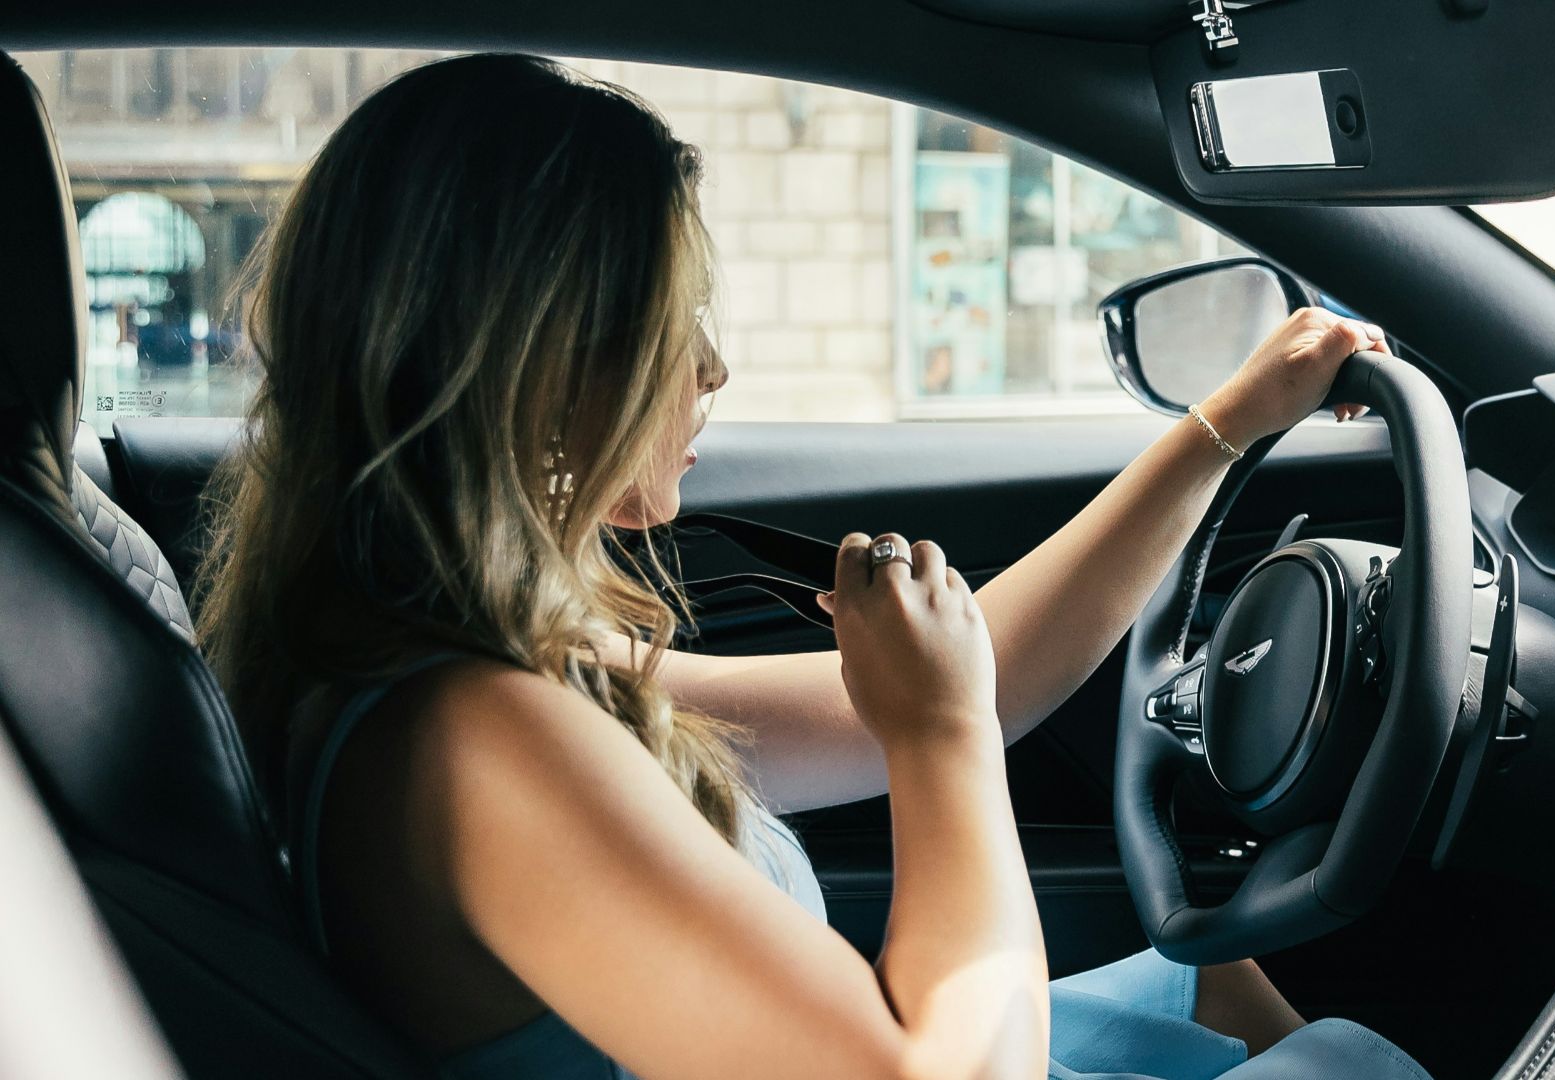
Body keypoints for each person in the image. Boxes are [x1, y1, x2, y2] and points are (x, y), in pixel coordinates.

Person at [196, 53, 1431, 1080]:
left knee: (1207, 970)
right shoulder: (479, 743)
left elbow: (987, 678)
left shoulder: (494, 664)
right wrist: (937, 738)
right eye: (673, 326)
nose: (711, 372)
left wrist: (1224, 427)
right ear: (544, 361)